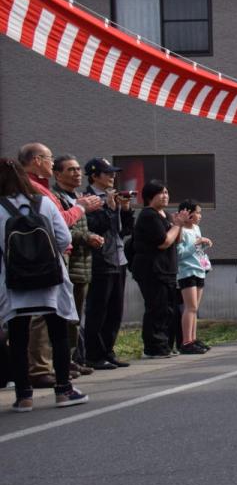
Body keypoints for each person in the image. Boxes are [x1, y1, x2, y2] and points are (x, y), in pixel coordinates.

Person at [0, 158, 89, 410]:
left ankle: (23, 396)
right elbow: (63, 239)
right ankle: (63, 391)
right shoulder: (44, 203)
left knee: (18, 338)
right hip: (50, 279)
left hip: (14, 282)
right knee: (58, 334)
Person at [18, 143, 102, 387]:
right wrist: (82, 207)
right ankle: (40, 368)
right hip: (44, 257)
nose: (51, 163)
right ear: (36, 160)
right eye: (49, 158)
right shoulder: (34, 188)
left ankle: (56, 364)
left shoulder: (39, 188)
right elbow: (61, 222)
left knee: (59, 313)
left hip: (54, 256)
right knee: (42, 314)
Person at [51, 154, 101, 374]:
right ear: (57, 173)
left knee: (76, 315)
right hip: (67, 263)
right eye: (70, 169)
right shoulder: (56, 197)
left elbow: (80, 228)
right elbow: (60, 228)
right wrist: (85, 237)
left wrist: (92, 235)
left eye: (78, 169)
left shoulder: (78, 197)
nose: (76, 173)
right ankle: (59, 361)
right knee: (64, 316)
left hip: (84, 262)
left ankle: (71, 358)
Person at [82, 158, 133, 369]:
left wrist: (126, 208)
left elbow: (126, 230)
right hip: (100, 260)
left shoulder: (113, 196)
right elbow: (97, 226)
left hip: (118, 258)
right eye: (107, 173)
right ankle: (94, 354)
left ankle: (108, 351)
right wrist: (110, 208)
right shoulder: (88, 199)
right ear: (94, 176)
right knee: (98, 309)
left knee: (115, 309)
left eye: (113, 173)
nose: (112, 176)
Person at [130, 180, 187, 358]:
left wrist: (179, 224)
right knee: (156, 308)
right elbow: (163, 242)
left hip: (167, 268)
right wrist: (177, 225)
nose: (165, 196)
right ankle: (154, 348)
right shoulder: (148, 215)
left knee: (168, 309)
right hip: (151, 269)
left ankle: (166, 345)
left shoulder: (166, 215)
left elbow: (176, 240)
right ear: (149, 197)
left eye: (167, 193)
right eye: (161, 193)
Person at [175, 200, 212, 355]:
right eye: (197, 212)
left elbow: (197, 250)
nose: (199, 216)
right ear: (188, 213)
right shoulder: (180, 230)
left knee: (195, 308)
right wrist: (196, 244)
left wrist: (204, 243)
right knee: (190, 307)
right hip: (186, 271)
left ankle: (193, 339)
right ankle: (186, 341)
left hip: (199, 269)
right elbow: (179, 253)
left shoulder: (196, 228)